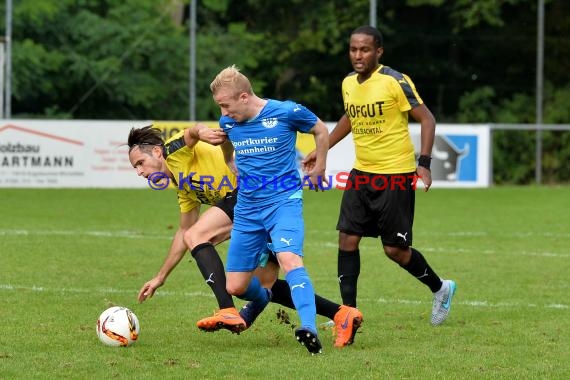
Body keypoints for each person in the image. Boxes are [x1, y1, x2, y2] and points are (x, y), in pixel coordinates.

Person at [127, 125, 363, 348]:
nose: (139, 172)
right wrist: (160, 277)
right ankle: (342, 313)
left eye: (140, 163)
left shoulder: (173, 152)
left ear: (157, 152)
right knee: (264, 284)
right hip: (258, 203)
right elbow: (183, 233)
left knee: (199, 235)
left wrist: (204, 132)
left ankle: (226, 309)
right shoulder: (183, 187)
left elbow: (192, 132)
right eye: (135, 168)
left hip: (253, 192)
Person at [303, 25, 456, 326]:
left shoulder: (394, 81)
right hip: (362, 173)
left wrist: (423, 163)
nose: (358, 55)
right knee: (347, 239)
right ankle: (347, 314)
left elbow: (427, 118)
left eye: (365, 49)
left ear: (378, 51)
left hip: (395, 175)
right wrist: (323, 149)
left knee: (395, 250)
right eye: (353, 49)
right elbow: (350, 116)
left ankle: (441, 288)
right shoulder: (348, 83)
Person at [206, 64, 331, 354]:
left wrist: (320, 167)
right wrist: (230, 163)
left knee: (289, 259)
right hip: (248, 209)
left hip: (283, 202)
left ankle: (309, 328)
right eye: (220, 107)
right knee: (235, 287)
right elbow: (226, 143)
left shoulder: (285, 112)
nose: (223, 113)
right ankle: (261, 299)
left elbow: (320, 129)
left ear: (244, 97)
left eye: (226, 105)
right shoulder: (228, 122)